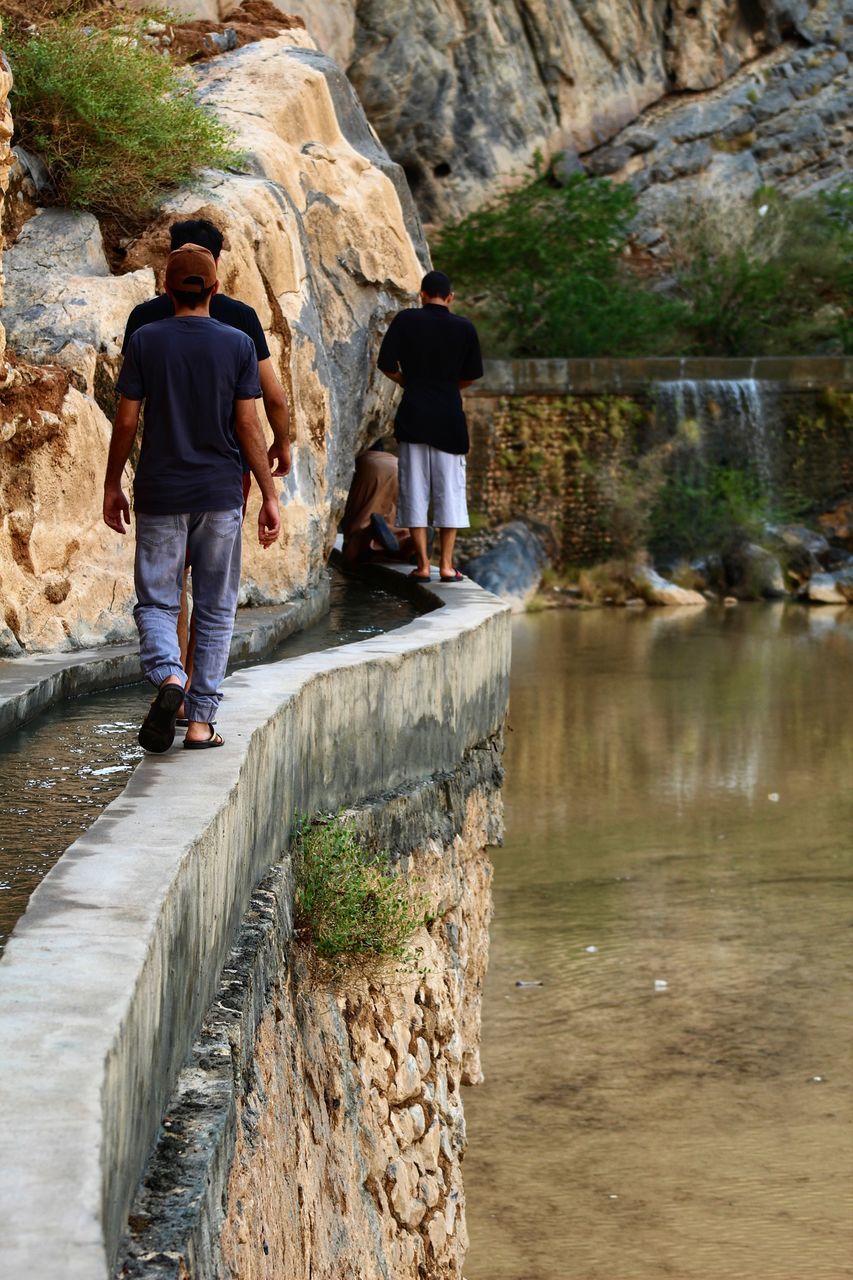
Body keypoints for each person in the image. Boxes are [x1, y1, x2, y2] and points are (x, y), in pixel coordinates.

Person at [103, 245, 281, 753]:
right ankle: (201, 723)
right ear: (216, 289)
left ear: (166, 287)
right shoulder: (238, 344)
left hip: (161, 491)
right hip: (221, 494)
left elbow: (128, 420)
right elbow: (249, 425)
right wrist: (268, 494)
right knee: (216, 608)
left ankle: (169, 679)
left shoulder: (145, 340)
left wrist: (113, 483)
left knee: (159, 601)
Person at [377, 269, 483, 582]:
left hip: (414, 415)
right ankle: (447, 566)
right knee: (449, 492)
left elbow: (386, 364)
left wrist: (411, 382)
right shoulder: (465, 328)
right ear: (450, 298)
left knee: (414, 491)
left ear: (421, 295)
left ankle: (423, 565)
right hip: (449, 418)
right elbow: (471, 375)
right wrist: (447, 388)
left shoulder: (406, 320)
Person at [341, 441, 415, 565]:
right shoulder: (391, 458)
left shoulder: (359, 460)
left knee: (359, 526)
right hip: (399, 468)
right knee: (394, 518)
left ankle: (371, 533)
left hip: (369, 466)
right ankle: (411, 542)